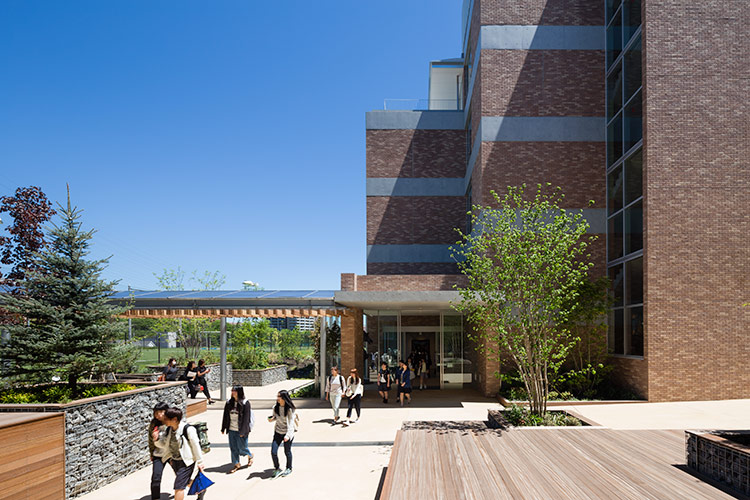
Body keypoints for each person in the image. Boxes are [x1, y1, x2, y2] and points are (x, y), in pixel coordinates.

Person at [163, 407, 204, 500]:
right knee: (184, 481)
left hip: (186, 462)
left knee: (179, 486)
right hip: (174, 460)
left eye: (166, 419)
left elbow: (196, 445)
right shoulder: (169, 430)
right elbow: (165, 445)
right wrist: (156, 439)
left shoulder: (188, 429)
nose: (164, 420)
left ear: (174, 419)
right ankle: (201, 489)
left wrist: (200, 461)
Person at [221, 385, 253, 473]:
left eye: (234, 391)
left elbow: (246, 419)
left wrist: (243, 431)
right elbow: (225, 416)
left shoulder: (245, 403)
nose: (232, 392)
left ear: (239, 392)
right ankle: (236, 464)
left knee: (243, 447)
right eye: (232, 391)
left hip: (241, 429)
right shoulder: (229, 402)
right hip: (231, 429)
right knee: (233, 447)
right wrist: (223, 427)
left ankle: (250, 455)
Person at [268, 390, 296, 478]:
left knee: (287, 451)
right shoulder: (275, 407)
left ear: (284, 398)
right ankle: (277, 468)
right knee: (273, 451)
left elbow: (291, 423)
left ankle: (289, 468)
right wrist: (271, 419)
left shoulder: (289, 409)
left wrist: (287, 436)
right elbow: (275, 417)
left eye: (279, 396)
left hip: (287, 433)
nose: (277, 398)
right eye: (277, 396)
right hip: (278, 432)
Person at [148, 402, 171, 500]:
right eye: (156, 413)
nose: (158, 415)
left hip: (171, 454)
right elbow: (150, 440)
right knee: (155, 478)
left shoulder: (171, 422)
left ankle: (199, 489)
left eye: (161, 412)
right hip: (158, 455)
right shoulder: (154, 424)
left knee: (181, 477)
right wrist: (151, 453)